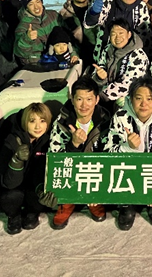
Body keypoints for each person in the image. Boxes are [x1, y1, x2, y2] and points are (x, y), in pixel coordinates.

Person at [104, 77, 152, 230]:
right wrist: (128, 147)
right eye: (138, 98)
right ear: (130, 98)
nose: (143, 104)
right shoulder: (120, 117)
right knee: (119, 169)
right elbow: (108, 154)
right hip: (129, 170)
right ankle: (127, 204)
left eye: (149, 98)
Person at [47, 76, 111, 228]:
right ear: (72, 99)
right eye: (79, 99)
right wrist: (74, 144)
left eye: (89, 99)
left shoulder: (106, 120)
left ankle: (94, 199)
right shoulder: (62, 122)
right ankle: (67, 201)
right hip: (71, 170)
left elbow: (109, 154)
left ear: (96, 100)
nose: (84, 105)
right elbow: (55, 158)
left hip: (95, 170)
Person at [0, 102, 53, 234]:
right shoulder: (12, 140)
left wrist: (43, 190)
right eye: (32, 121)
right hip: (14, 187)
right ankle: (14, 215)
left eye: (42, 121)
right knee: (10, 196)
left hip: (32, 188)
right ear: (25, 122)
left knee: (42, 193)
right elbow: (8, 183)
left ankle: (31, 213)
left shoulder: (49, 141)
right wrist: (16, 160)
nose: (38, 126)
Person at [84, 0, 150, 63]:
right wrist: (93, 13)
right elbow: (89, 24)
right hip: (105, 54)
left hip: (131, 56)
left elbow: (144, 33)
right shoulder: (109, 2)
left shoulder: (141, 6)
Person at [91, 18, 149, 110]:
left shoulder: (138, 55)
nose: (117, 37)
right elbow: (99, 68)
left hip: (130, 96)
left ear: (129, 34)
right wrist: (99, 78)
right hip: (106, 93)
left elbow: (127, 85)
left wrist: (101, 96)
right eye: (113, 34)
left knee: (121, 103)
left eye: (121, 33)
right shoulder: (108, 49)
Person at [14, 0, 66, 66]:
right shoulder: (23, 26)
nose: (36, 7)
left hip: (59, 60)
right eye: (31, 4)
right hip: (37, 66)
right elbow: (20, 53)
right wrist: (27, 39)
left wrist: (73, 54)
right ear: (26, 8)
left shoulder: (54, 15)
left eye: (37, 2)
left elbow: (68, 38)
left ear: (42, 2)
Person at [59, 0, 96, 68]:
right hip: (77, 57)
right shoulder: (64, 14)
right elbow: (64, 38)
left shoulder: (96, 9)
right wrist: (73, 54)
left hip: (97, 54)